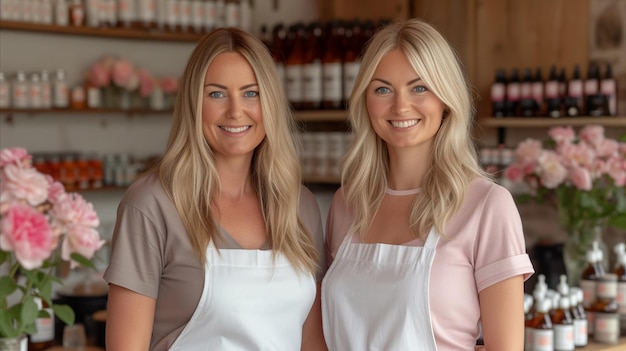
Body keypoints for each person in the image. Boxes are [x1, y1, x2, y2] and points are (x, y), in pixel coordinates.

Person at [104, 27, 327, 351]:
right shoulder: (152, 205)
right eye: (217, 94)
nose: (236, 111)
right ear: (194, 104)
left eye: (251, 93)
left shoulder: (299, 206)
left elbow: (311, 341)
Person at [321, 18, 534, 350]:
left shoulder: (487, 206)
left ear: (445, 100)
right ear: (366, 100)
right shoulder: (347, 203)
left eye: (419, 87)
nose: (401, 105)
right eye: (382, 89)